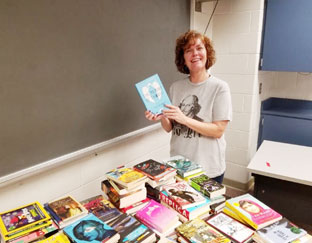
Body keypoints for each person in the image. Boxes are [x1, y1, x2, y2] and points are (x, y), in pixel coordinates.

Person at [145, 30, 232, 184]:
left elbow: (218, 130)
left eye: (199, 48)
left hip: (208, 170)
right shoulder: (175, 87)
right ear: (183, 58)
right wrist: (162, 116)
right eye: (188, 50)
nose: (195, 54)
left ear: (207, 53)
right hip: (179, 167)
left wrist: (184, 119)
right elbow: (169, 127)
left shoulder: (220, 87)